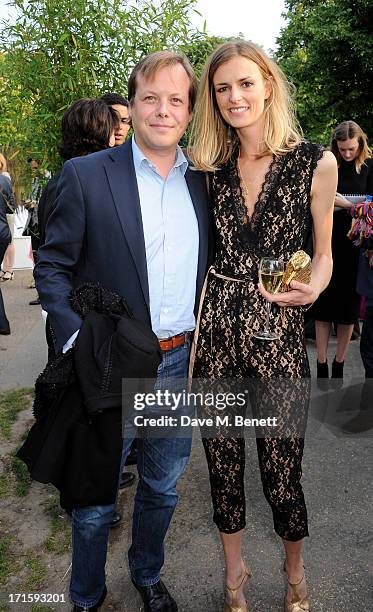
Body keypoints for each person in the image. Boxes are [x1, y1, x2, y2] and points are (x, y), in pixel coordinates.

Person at [34, 50, 210, 611]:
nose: (163, 110)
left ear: (189, 111)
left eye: (176, 100)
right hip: (109, 364)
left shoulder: (205, 184)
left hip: (177, 364)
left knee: (162, 486)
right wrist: (73, 338)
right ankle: (85, 593)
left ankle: (147, 573)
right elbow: (53, 265)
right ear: (131, 107)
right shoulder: (86, 175)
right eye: (151, 98)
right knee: (94, 499)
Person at [188, 40, 337, 612]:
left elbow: (323, 254)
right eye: (223, 88)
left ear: (268, 84)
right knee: (222, 463)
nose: (234, 97)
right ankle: (235, 575)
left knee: (282, 469)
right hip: (218, 331)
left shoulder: (314, 162)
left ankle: (293, 570)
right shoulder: (208, 169)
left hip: (276, 331)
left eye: (245, 83)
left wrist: (317, 284)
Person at [312, 121, 373, 381]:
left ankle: (340, 362)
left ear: (360, 144)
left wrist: (345, 204)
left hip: (355, 248)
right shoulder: (328, 165)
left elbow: (370, 211)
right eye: (342, 149)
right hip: (327, 242)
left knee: (348, 312)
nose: (347, 154)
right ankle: (322, 362)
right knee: (323, 307)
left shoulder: (370, 168)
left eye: (351, 149)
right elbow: (314, 201)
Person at [0, 153, 15, 282]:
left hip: (7, 215)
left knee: (10, 241)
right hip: (5, 215)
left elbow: (10, 199)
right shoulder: (5, 178)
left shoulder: (4, 177)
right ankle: (5, 269)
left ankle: (9, 270)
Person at [0, 175, 12, 334]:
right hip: (3, 232)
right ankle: (2, 323)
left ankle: (3, 323)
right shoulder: (4, 180)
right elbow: (11, 206)